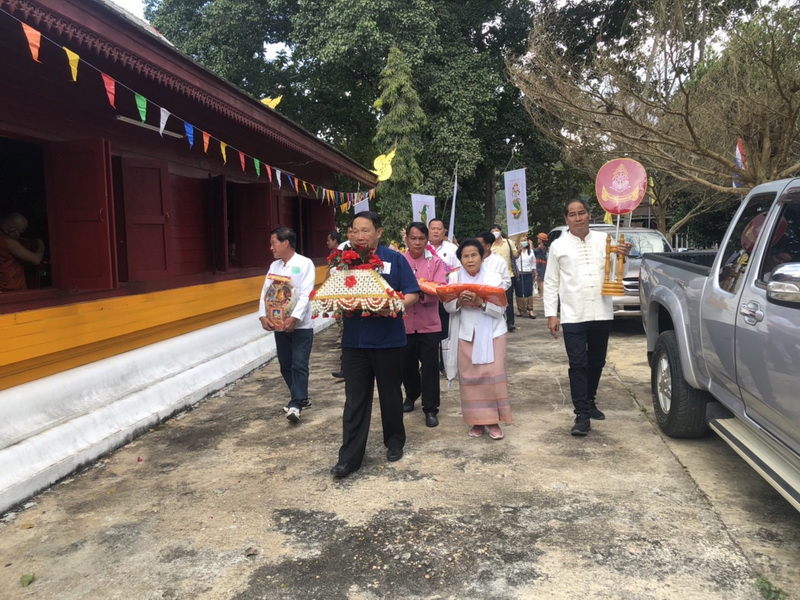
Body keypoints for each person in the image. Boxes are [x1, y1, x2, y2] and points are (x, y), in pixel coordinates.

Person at [331, 211, 420, 478]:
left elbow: (413, 293)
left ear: (378, 233)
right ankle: (349, 457)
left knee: (391, 395)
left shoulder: (394, 260)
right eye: (354, 230)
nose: (359, 236)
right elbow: (334, 293)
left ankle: (394, 442)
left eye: (365, 230)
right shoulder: (342, 262)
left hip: (388, 341)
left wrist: (393, 307)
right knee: (355, 400)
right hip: (355, 342)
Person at [543, 199, 631, 436]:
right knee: (578, 364)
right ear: (566, 219)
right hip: (572, 314)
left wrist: (624, 255)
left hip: (601, 310)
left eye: (582, 213)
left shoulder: (605, 240)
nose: (578, 218)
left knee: (597, 361)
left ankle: (590, 400)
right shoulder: (558, 246)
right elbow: (551, 282)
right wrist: (552, 314)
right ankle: (581, 414)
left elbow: (616, 271)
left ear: (589, 215)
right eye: (572, 214)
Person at [444, 238, 511, 440]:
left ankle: (493, 421)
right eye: (465, 256)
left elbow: (500, 309)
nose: (470, 260)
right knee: (471, 382)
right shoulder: (454, 278)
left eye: (474, 255)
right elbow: (447, 306)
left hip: (493, 334)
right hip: (466, 335)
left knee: (493, 380)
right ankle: (477, 421)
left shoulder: (493, 277)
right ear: (460, 260)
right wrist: (459, 301)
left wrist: (481, 302)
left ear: (482, 257)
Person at [258, 227, 316, 424]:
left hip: (301, 325)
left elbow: (307, 293)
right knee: (285, 364)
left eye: (274, 242)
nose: (271, 247)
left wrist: (295, 317)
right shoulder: (274, 266)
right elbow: (266, 291)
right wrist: (262, 315)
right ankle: (302, 397)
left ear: (286, 243)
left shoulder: (305, 263)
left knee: (299, 363)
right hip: (278, 323)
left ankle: (295, 404)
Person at [401, 221, 448, 426]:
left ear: (427, 239)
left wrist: (417, 293)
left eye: (421, 238)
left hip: (430, 324)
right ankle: (412, 394)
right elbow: (393, 287)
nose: (417, 242)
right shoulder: (399, 260)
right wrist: (420, 289)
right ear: (407, 239)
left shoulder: (436, 262)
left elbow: (440, 289)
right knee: (406, 366)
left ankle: (430, 408)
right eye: (413, 238)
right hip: (404, 324)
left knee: (429, 368)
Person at [0, 213, 45, 292]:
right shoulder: (8, 242)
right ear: (13, 232)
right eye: (21, 233)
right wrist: (41, 245)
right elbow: (36, 260)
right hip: (12, 288)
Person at [490, 225, 519, 332]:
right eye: (492, 231)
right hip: (494, 278)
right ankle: (499, 320)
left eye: (496, 230)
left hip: (508, 275)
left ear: (501, 232)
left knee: (509, 300)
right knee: (497, 300)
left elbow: (515, 255)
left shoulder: (508, 242)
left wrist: (519, 249)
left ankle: (510, 322)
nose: (495, 232)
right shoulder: (490, 245)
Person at [514, 236, 537, 319]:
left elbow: (533, 262)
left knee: (528, 292)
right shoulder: (516, 252)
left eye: (525, 240)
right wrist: (518, 251)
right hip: (519, 274)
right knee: (519, 292)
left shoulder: (530, 252)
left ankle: (530, 309)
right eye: (522, 240)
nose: (524, 242)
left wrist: (535, 272)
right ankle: (520, 309)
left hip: (528, 273)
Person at [534, 233, 548, 300]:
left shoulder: (541, 247)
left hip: (540, 264)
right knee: (539, 280)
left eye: (538, 238)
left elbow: (534, 252)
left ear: (541, 240)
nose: (537, 239)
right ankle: (541, 294)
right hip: (542, 264)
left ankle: (542, 294)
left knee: (540, 280)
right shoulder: (544, 247)